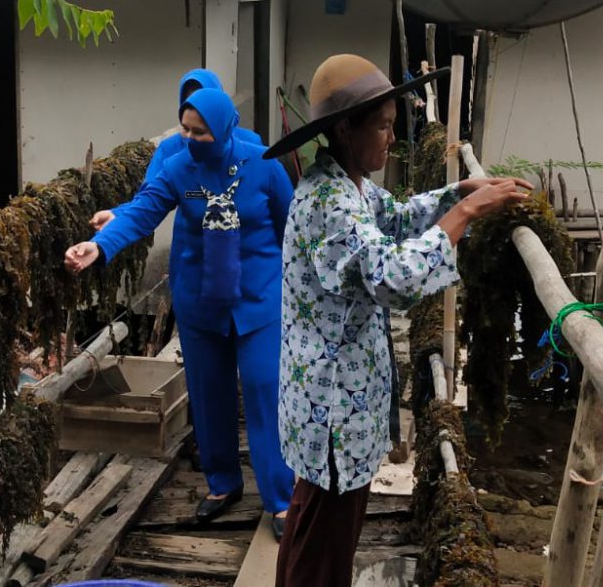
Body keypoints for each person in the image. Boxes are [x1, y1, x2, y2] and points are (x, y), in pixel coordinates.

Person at [263, 54, 531, 586]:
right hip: (332, 413)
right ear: (344, 128)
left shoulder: (351, 185)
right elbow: (395, 278)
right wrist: (465, 216)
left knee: (315, 531)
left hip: (339, 404)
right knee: (321, 548)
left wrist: (457, 193)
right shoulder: (328, 202)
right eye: (382, 126)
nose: (391, 138)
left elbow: (398, 217)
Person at [65, 87, 296, 539]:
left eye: (200, 132)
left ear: (226, 127)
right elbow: (142, 213)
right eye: (185, 129)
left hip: (259, 301)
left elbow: (292, 225)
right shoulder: (177, 169)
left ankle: (281, 499)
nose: (190, 138)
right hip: (200, 303)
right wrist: (100, 245)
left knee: (265, 389)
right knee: (209, 396)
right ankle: (222, 483)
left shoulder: (265, 164)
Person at [89, 69, 263, 233]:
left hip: (244, 245)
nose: (198, 110)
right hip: (191, 250)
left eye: (204, 100)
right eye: (191, 102)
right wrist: (118, 215)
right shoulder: (171, 149)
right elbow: (150, 198)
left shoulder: (250, 143)